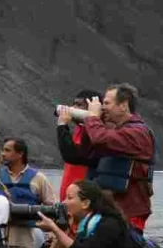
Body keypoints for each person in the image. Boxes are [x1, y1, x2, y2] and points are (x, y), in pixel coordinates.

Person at [57, 83, 155, 233]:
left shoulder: (137, 133)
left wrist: (93, 118)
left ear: (123, 106)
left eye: (107, 103)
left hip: (130, 211)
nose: (102, 107)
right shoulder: (114, 131)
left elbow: (100, 139)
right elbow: (80, 155)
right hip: (110, 212)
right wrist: (75, 124)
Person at [0, 138, 56, 248]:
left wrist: (42, 226)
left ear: (20, 154)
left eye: (7, 150)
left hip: (26, 235)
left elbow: (51, 208)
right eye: (3, 150)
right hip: (0, 235)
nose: (2, 153)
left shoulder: (39, 178)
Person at [55, 89, 103, 201]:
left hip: (84, 201)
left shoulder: (95, 133)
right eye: (73, 104)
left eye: (79, 105)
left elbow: (71, 155)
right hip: (69, 201)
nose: (73, 108)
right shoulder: (78, 129)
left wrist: (62, 125)